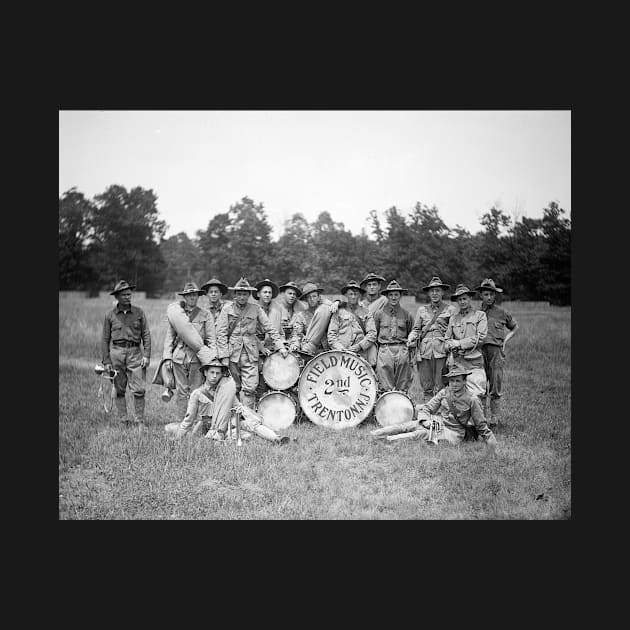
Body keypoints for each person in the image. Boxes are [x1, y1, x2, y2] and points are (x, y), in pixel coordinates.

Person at [164, 358, 290, 444]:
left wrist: (242, 412)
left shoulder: (226, 390)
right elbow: (188, 420)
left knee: (252, 425)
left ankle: (277, 439)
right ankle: (266, 440)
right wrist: (177, 439)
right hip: (211, 428)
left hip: (229, 423)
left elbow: (237, 405)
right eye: (211, 372)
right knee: (247, 436)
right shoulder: (197, 394)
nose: (214, 376)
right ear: (205, 373)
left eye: (217, 373)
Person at [369, 364, 497, 449]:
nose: (454, 384)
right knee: (408, 425)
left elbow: (481, 425)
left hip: (454, 433)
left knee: (419, 434)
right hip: (438, 423)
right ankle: (374, 435)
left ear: (465, 381)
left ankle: (387, 441)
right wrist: (425, 421)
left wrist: (491, 443)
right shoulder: (444, 392)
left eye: (458, 381)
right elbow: (427, 409)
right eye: (452, 381)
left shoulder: (472, 399)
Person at [216, 277, 288, 409]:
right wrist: (224, 356)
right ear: (235, 295)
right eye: (239, 294)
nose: (242, 297)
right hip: (232, 355)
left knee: (250, 388)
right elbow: (221, 334)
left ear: (249, 295)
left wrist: (281, 346)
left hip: (250, 354)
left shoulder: (255, 309)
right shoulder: (227, 309)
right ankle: (232, 419)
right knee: (233, 387)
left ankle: (246, 419)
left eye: (244, 294)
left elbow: (269, 327)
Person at [159, 282, 217, 418]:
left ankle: (195, 421)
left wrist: (212, 359)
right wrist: (167, 357)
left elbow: (211, 339)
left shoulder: (205, 314)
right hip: (179, 357)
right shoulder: (177, 315)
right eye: (189, 295)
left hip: (197, 359)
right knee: (181, 391)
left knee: (197, 391)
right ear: (184, 297)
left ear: (198, 296)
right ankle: (182, 421)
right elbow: (170, 336)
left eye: (194, 295)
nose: (192, 297)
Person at [101, 280, 151, 426]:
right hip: (116, 353)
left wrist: (147, 355)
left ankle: (139, 421)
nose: (127, 297)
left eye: (129, 294)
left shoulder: (139, 312)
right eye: (123, 295)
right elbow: (105, 339)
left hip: (135, 353)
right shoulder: (110, 315)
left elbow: (146, 334)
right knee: (118, 388)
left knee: (139, 389)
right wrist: (107, 361)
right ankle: (123, 420)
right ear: (116, 297)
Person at [474, 278, 519, 429]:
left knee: (495, 385)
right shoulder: (476, 313)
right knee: (480, 385)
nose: (489, 297)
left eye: (492, 294)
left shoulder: (502, 312)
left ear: (495, 295)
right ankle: (481, 417)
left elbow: (515, 327)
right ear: (481, 295)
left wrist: (505, 341)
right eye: (486, 294)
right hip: (479, 352)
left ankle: (494, 419)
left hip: (496, 352)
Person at [407, 277, 456, 401]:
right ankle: (428, 415)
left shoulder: (450, 310)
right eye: (432, 291)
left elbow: (454, 331)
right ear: (429, 293)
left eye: (438, 291)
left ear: (442, 292)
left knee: (443, 385)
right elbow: (416, 329)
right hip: (425, 352)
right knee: (427, 385)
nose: (435, 293)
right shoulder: (422, 310)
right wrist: (411, 337)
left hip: (442, 351)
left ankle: (442, 415)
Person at [444, 284, 488, 397]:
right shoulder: (453, 318)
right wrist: (450, 346)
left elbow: (481, 337)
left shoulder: (480, 316)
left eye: (464, 298)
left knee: (477, 395)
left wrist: (459, 343)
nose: (462, 302)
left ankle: (479, 415)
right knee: (458, 397)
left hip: (474, 363)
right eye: (459, 300)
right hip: (457, 363)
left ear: (470, 299)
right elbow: (447, 339)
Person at [372, 280, 414, 392]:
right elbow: (374, 334)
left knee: (403, 384)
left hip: (402, 349)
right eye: (391, 295)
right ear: (387, 296)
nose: (393, 297)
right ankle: (386, 407)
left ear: (400, 296)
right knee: (384, 385)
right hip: (385, 349)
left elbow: (411, 332)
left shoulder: (407, 314)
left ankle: (401, 406)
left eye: (396, 295)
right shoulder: (379, 314)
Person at [327, 280, 377, 366]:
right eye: (350, 294)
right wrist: (340, 348)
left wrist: (360, 346)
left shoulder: (366, 312)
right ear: (346, 295)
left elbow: (372, 334)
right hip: (341, 355)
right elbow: (331, 335)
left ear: (360, 295)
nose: (353, 297)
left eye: (356, 294)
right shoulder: (338, 312)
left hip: (361, 355)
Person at [288, 282, 339, 356]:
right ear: (306, 299)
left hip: (327, 350)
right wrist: (295, 344)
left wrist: (337, 302)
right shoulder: (301, 316)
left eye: (314, 296)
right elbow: (297, 334)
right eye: (309, 297)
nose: (312, 299)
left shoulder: (326, 311)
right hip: (310, 353)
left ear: (318, 297)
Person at [253, 278, 285, 397]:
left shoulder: (276, 309)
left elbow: (279, 331)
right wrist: (260, 347)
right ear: (258, 294)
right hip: (256, 348)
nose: (267, 295)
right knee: (258, 380)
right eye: (265, 292)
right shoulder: (252, 309)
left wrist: (283, 344)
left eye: (269, 292)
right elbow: (249, 332)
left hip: (272, 348)